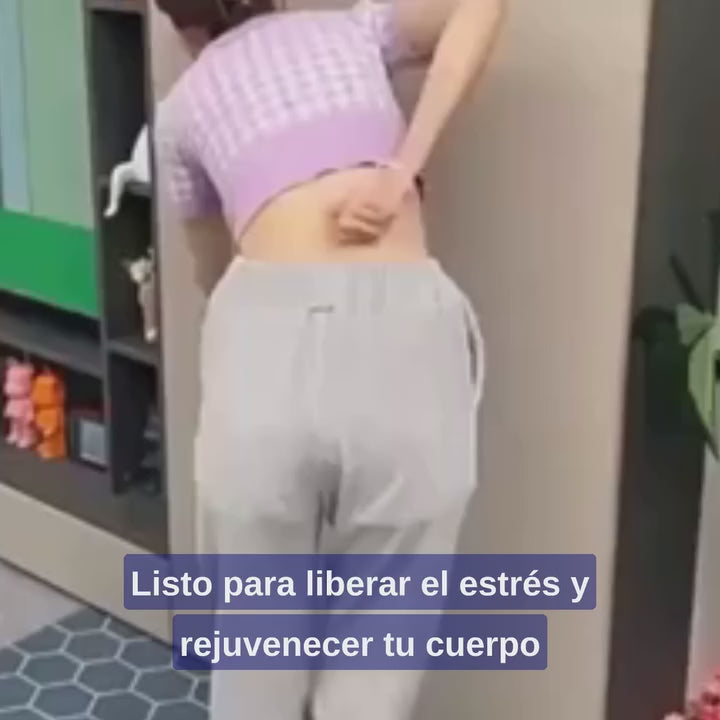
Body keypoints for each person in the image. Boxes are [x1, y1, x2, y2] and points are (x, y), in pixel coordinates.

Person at [155, 0, 504, 718]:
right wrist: (401, 168)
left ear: (176, 20)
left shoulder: (181, 109)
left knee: (256, 650)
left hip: (262, 333)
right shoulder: (352, 28)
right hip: (405, 331)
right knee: (380, 654)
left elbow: (209, 269)